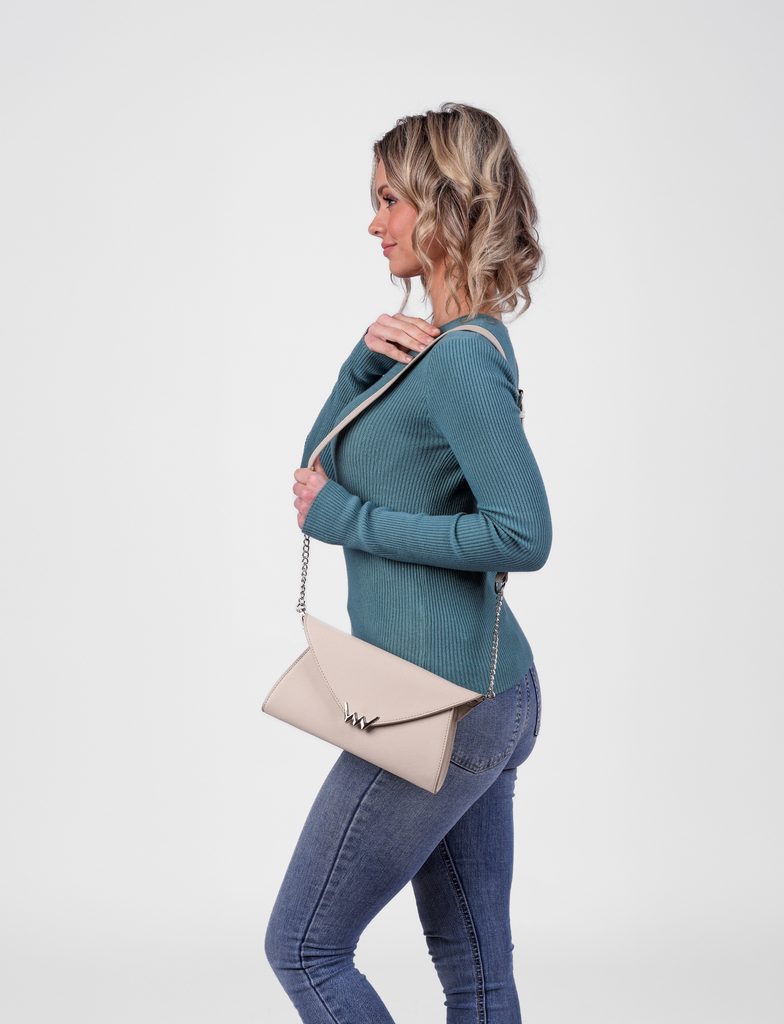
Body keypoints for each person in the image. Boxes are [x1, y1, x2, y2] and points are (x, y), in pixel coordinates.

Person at [264, 101, 553, 1024]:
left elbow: (523, 534)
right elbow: (313, 478)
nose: (375, 222)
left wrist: (354, 519)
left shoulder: (464, 361)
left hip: (445, 702)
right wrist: (358, 371)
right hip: (466, 692)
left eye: (390, 199)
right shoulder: (421, 352)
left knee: (304, 948)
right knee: (476, 971)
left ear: (447, 207)